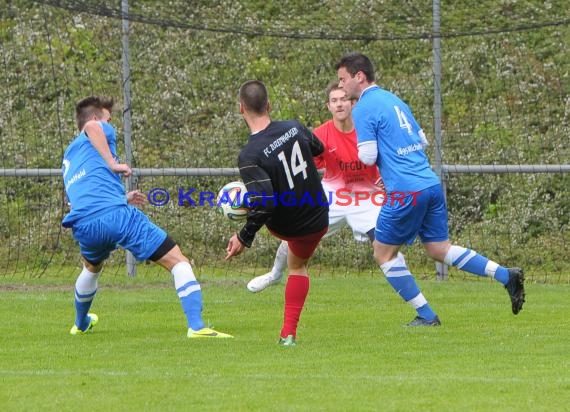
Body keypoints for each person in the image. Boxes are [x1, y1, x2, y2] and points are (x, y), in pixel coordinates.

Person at [335, 52, 525, 326]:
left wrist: (386, 170)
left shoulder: (363, 107)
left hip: (405, 191)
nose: (341, 87)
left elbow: (366, 156)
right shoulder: (394, 100)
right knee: (438, 248)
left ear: (359, 77)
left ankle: (426, 316)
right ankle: (506, 275)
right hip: (429, 183)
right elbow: (421, 140)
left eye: (343, 80)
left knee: (383, 252)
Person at [63, 95, 232, 338]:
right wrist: (113, 163)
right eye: (108, 120)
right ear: (94, 118)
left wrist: (122, 197)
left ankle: (80, 324)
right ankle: (197, 327)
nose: (111, 126)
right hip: (117, 217)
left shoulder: (69, 156)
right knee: (178, 260)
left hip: (84, 223)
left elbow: (89, 191)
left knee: (91, 267)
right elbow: (92, 128)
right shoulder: (97, 129)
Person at [246, 81, 384, 293]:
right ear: (328, 106)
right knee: (296, 237)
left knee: (385, 245)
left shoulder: (368, 131)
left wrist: (388, 179)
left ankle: (419, 305)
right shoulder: (320, 134)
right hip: (332, 197)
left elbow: (387, 158)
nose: (339, 104)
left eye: (344, 99)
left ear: (353, 103)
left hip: (367, 198)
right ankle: (274, 274)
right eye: (334, 100)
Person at [225, 80, 329, 346]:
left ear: (241, 109)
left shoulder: (249, 155)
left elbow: (265, 203)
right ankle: (284, 322)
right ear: (269, 105)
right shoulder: (293, 126)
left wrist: (243, 236)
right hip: (318, 214)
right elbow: (318, 149)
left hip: (290, 226)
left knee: (297, 267)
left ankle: (288, 334)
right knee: (296, 260)